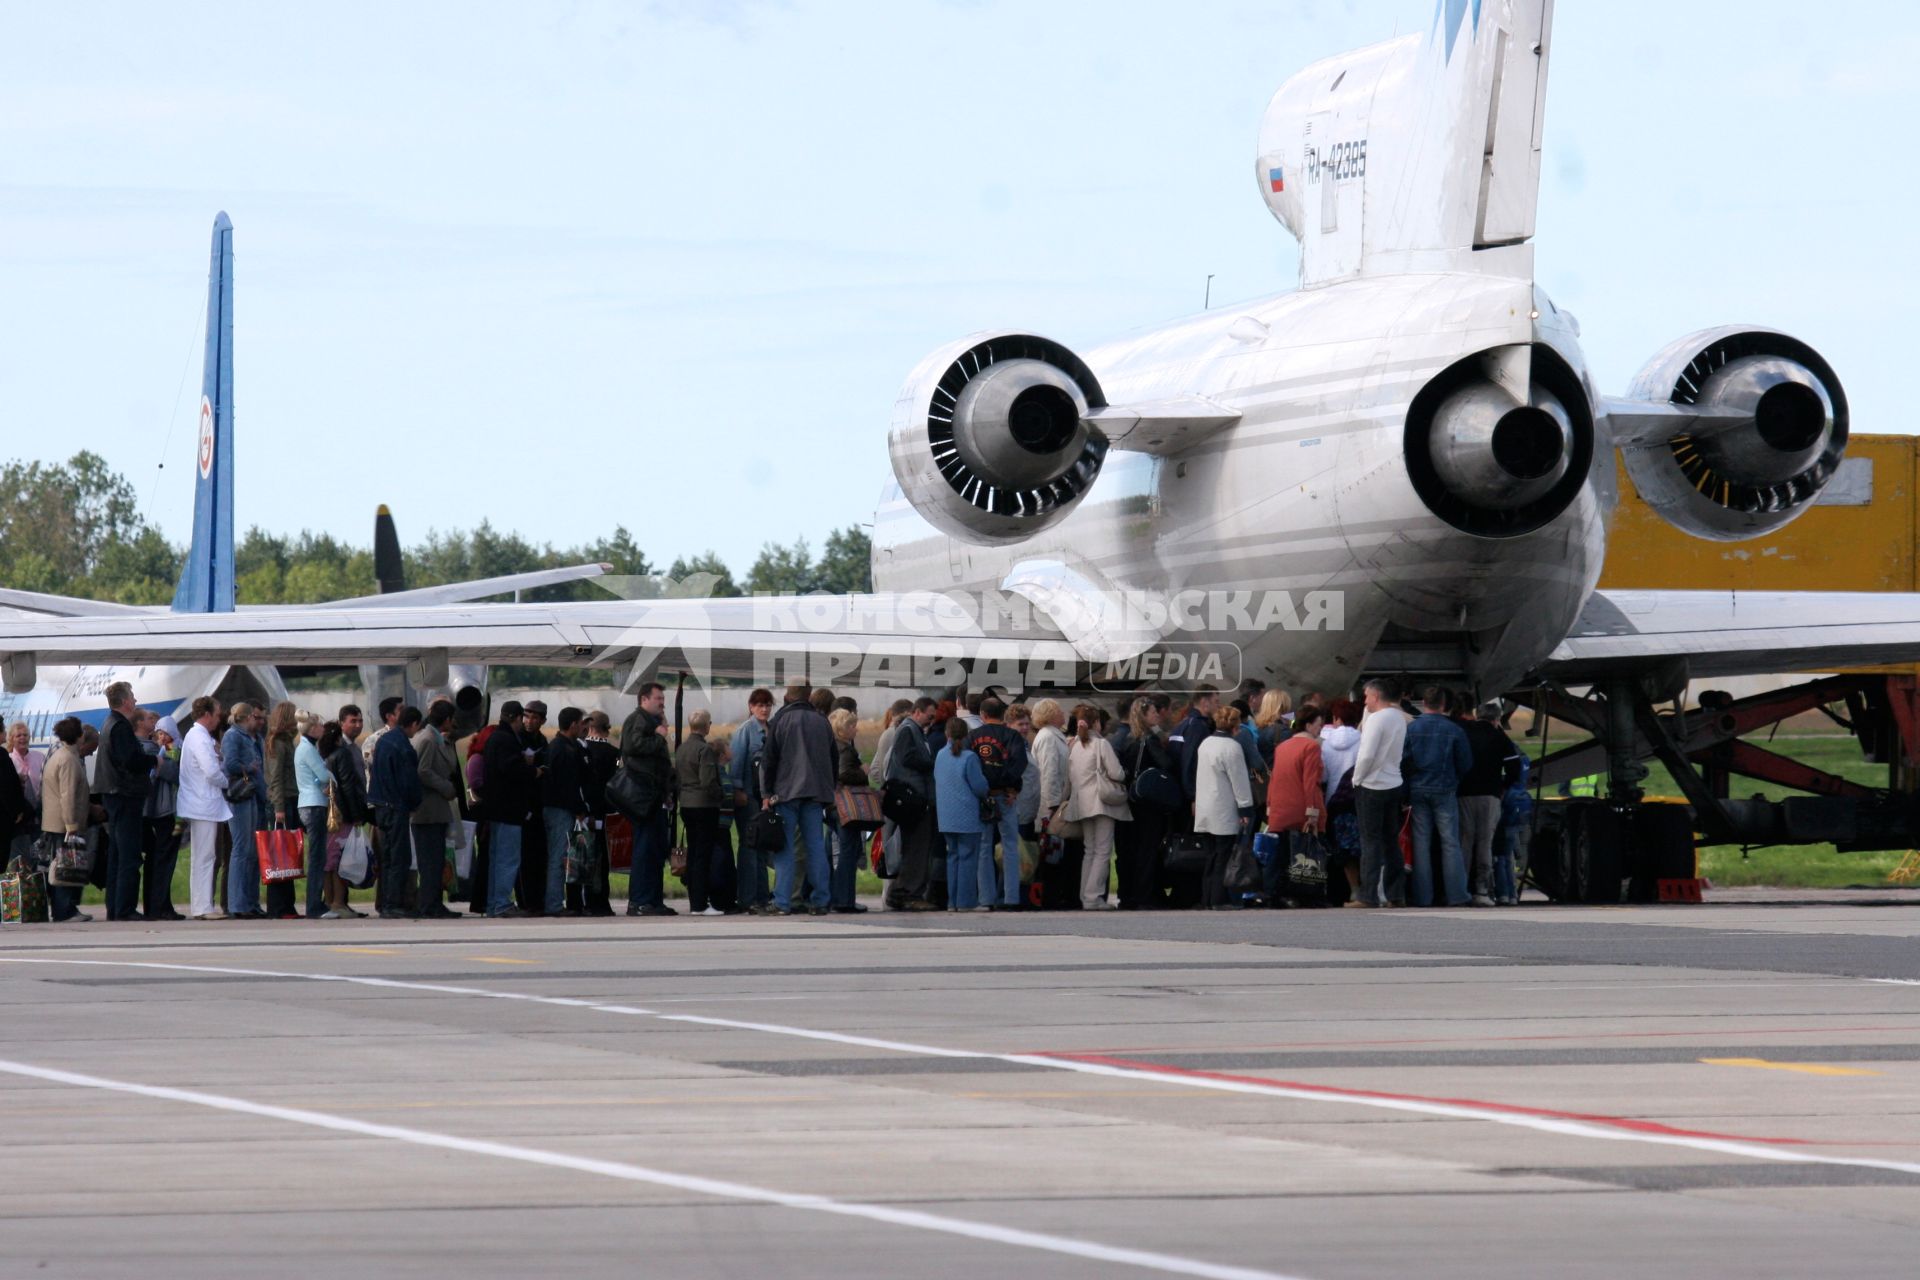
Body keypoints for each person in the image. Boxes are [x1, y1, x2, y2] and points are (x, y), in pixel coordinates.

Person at [762, 683, 837, 916]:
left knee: (786, 849)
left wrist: (766, 794)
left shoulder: (780, 720)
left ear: (787, 695)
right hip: (815, 794)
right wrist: (829, 790)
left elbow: (769, 760)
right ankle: (820, 901)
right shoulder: (822, 721)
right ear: (808, 696)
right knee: (815, 847)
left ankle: (782, 902)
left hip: (786, 793)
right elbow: (833, 759)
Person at [1403, 686, 1472, 908]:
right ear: (1444, 704)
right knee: (1450, 842)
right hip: (1445, 789)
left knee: (1421, 843)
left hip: (1418, 789)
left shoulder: (1412, 728)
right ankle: (1457, 895)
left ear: (1424, 702)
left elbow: (1403, 760)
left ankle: (1423, 897)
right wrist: (1453, 780)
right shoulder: (1454, 730)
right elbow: (1465, 763)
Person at [94, 681, 156, 921]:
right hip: (124, 795)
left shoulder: (110, 724)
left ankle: (115, 906)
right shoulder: (120, 727)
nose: (136, 700)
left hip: (114, 794)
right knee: (129, 855)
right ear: (125, 701)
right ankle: (125, 908)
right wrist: (152, 761)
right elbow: (130, 759)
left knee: (118, 855)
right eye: (132, 696)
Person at [1062, 703, 1128, 910]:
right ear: (1096, 723)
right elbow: (1117, 774)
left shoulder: (1073, 744)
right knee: (1102, 850)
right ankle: (1093, 896)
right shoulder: (1101, 744)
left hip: (1080, 802)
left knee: (1089, 850)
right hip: (1101, 802)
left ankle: (1085, 895)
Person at [1351, 678, 1409, 909]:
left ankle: (1367, 894)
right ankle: (1396, 893)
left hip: (1372, 784)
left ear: (1375, 696)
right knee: (1390, 841)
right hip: (1393, 781)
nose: (1365, 700)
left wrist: (1357, 779)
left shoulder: (1377, 719)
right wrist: (1367, 713)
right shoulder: (1397, 717)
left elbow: (1366, 754)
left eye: (1366, 696)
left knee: (1370, 841)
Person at [619, 682, 676, 917]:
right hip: (644, 796)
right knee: (645, 849)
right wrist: (659, 737)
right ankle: (641, 900)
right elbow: (633, 746)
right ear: (644, 699)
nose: (662, 702)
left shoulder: (650, 722)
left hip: (655, 795)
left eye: (663, 699)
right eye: (658, 699)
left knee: (655, 850)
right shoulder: (639, 719)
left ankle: (652, 899)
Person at [1458, 701, 1522, 908]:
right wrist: (1503, 786)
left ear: (1477, 715)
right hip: (1490, 795)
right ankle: (1481, 890)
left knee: (1464, 842)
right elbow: (1515, 769)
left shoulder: (1464, 732)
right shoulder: (1500, 737)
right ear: (1497, 719)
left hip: (1464, 794)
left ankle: (1461, 889)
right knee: (1485, 842)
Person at [966, 696, 1028, 911]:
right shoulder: (1012, 736)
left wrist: (983, 788)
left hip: (981, 798)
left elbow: (969, 767)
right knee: (1010, 846)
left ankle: (986, 899)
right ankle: (1012, 898)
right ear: (1004, 715)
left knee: (984, 847)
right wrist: (1011, 787)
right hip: (1006, 796)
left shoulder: (972, 737)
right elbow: (1019, 764)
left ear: (982, 715)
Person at [882, 697, 939, 912]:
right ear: (917, 712)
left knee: (918, 847)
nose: (931, 721)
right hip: (914, 800)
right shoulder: (908, 730)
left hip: (918, 799)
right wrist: (933, 763)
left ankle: (906, 892)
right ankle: (907, 893)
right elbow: (906, 758)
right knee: (916, 848)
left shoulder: (915, 731)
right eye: (929, 716)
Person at [1194, 707, 1254, 909]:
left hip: (1205, 806)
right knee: (1224, 855)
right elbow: (1239, 781)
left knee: (1211, 855)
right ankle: (1219, 899)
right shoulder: (1232, 747)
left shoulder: (1205, 743)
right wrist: (1245, 808)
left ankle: (1207, 897)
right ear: (1236, 726)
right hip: (1224, 807)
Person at [176, 697, 230, 920]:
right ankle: (203, 906)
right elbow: (211, 771)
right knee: (206, 856)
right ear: (207, 714)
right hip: (203, 803)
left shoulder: (194, 735)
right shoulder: (200, 737)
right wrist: (226, 780)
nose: (219, 719)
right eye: (217, 714)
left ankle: (201, 904)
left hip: (200, 802)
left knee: (203, 856)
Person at [40, 717, 98, 923]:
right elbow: (68, 795)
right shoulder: (68, 760)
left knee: (61, 866)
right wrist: (72, 825)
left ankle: (61, 908)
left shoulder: (60, 755)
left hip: (56, 821)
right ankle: (64, 910)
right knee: (65, 867)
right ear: (78, 736)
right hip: (63, 823)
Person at [368, 705, 424, 919]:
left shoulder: (383, 741)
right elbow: (409, 783)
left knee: (387, 856)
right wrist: (415, 803)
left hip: (380, 806)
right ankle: (393, 903)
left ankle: (385, 901)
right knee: (400, 857)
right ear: (414, 724)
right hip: (397, 807)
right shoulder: (404, 748)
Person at [1267, 706, 1328, 902]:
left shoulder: (1281, 746)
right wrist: (1312, 811)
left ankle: (1277, 893)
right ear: (1309, 725)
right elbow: (1310, 781)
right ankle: (1306, 893)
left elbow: (1274, 777)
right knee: (1306, 852)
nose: (1321, 730)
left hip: (1280, 806)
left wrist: (1270, 805)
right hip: (1301, 805)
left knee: (1282, 854)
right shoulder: (1311, 747)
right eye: (1319, 725)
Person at [481, 702, 535, 918]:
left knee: (497, 859)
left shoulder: (495, 737)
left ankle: (494, 903)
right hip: (508, 809)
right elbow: (509, 769)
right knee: (508, 858)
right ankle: (502, 903)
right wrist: (530, 768)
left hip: (495, 809)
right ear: (516, 717)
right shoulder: (506, 740)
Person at [933, 715, 990, 911]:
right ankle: (965, 902)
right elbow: (980, 787)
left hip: (946, 816)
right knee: (968, 857)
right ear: (966, 734)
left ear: (946, 733)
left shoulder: (940, 755)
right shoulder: (970, 757)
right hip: (967, 815)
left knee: (953, 857)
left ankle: (952, 901)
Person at [413, 700, 463, 919]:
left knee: (436, 860)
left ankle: (434, 903)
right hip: (427, 811)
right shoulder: (427, 739)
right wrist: (446, 788)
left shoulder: (438, 739)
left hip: (437, 811)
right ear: (447, 719)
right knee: (429, 861)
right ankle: (428, 905)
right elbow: (422, 771)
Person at [728, 688, 775, 914]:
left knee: (762, 848)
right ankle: (747, 897)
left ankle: (762, 896)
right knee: (749, 848)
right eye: (759, 705)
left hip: (767, 799)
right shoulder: (744, 731)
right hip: (748, 796)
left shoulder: (773, 730)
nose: (764, 709)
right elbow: (736, 763)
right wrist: (738, 791)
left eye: (767, 705)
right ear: (751, 707)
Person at [673, 708, 725, 916]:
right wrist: (720, 795)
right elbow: (708, 781)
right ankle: (700, 904)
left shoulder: (681, 749)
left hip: (686, 804)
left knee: (694, 854)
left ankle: (695, 900)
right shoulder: (704, 750)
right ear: (706, 726)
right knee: (703, 855)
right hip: (704, 806)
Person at [1028, 699, 1079, 908]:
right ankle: (1050, 897)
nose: (1063, 714)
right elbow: (1049, 773)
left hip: (1051, 804)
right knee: (1051, 853)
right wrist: (1053, 805)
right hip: (1050, 806)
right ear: (1051, 714)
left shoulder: (1051, 736)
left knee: (1051, 853)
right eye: (1059, 710)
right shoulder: (1049, 738)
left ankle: (1052, 895)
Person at [221, 702, 268, 919]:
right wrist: (250, 768)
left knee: (252, 852)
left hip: (254, 796)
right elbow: (229, 764)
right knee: (241, 849)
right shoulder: (233, 736)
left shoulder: (253, 738)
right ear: (247, 717)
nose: (257, 721)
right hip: (241, 796)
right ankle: (237, 903)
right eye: (254, 717)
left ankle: (251, 901)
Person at [324, 707, 371, 918]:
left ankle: (341, 902)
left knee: (343, 857)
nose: (358, 725)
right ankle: (336, 901)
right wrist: (356, 813)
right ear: (342, 722)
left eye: (360, 721)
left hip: (347, 810)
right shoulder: (341, 749)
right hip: (342, 813)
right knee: (338, 857)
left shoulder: (353, 747)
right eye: (353, 721)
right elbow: (347, 786)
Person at [1318, 699, 1365, 903]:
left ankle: (1351, 889)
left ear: (1336, 719)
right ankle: (1368, 887)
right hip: (1359, 799)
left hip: (1334, 802)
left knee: (1341, 848)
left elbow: (1324, 777)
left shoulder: (1325, 744)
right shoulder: (1364, 740)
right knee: (1363, 845)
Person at [140, 713, 185, 921]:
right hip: (166, 810)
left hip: (162, 809)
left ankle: (158, 905)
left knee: (160, 859)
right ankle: (160, 906)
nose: (161, 737)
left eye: (164, 733)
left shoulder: (172, 749)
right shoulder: (168, 750)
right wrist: (160, 764)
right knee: (164, 859)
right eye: (158, 733)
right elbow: (174, 774)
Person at [575, 710, 618, 916]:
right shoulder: (613, 753)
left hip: (583, 812)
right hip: (606, 813)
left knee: (582, 858)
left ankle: (584, 901)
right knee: (602, 859)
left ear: (589, 726)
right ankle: (601, 901)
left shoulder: (583, 749)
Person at [827, 707, 869, 913]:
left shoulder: (831, 746)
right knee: (848, 851)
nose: (857, 729)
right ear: (843, 729)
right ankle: (844, 899)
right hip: (845, 804)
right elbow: (844, 773)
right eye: (852, 725)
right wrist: (862, 772)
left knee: (844, 850)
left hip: (833, 803)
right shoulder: (844, 749)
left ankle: (840, 897)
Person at [262, 701, 302, 920]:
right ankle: (280, 905)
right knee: (281, 855)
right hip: (283, 801)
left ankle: (287, 904)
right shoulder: (278, 743)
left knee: (287, 855)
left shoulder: (284, 741)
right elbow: (276, 777)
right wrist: (279, 808)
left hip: (288, 799)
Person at [293, 710, 334, 919]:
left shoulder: (305, 748)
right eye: (319, 725)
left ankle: (315, 902)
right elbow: (323, 774)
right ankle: (314, 905)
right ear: (311, 728)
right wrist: (332, 777)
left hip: (308, 802)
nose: (322, 728)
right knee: (317, 856)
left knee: (318, 854)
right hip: (314, 804)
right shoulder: (308, 749)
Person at [1169, 685, 1220, 828]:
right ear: (1205, 702)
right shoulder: (1197, 727)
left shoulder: (1183, 724)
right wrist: (1193, 796)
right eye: (1216, 701)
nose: (1218, 705)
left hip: (1178, 791)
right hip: (1189, 796)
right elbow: (1190, 762)